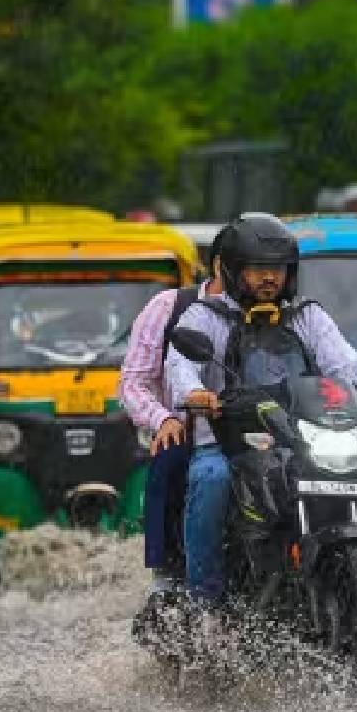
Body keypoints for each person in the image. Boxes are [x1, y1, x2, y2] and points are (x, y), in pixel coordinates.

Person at [165, 213, 357, 602]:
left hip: (297, 437)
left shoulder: (306, 316)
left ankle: (351, 584)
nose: (269, 278)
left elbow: (344, 364)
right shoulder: (206, 316)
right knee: (211, 480)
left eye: (278, 269)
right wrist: (195, 394)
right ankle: (204, 602)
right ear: (233, 271)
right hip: (227, 441)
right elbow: (180, 366)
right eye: (258, 269)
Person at [119, 227, 226, 598]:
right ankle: (170, 582)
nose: (264, 277)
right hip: (188, 428)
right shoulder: (170, 308)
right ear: (220, 266)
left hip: (256, 432)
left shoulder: (277, 314)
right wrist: (162, 418)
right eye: (251, 266)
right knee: (172, 457)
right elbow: (132, 383)